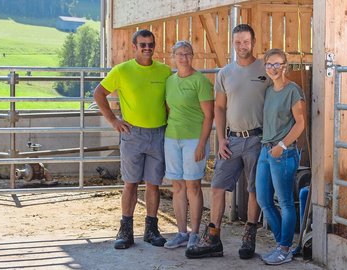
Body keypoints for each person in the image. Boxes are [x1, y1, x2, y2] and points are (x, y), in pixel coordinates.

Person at [186, 24, 271, 260]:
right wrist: (221, 137)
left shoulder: (265, 69)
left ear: (253, 42)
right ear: (232, 43)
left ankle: (249, 235)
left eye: (245, 41)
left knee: (253, 188)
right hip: (232, 139)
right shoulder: (225, 73)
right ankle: (213, 237)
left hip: (258, 138)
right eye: (237, 42)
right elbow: (220, 107)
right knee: (217, 187)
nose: (241, 46)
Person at [93, 29, 172, 250]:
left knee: (154, 184)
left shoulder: (165, 71)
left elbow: (170, 101)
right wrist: (113, 121)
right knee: (130, 183)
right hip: (132, 134)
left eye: (151, 44)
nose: (147, 48)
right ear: (134, 47)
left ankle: (151, 229)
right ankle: (125, 230)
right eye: (143, 45)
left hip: (158, 133)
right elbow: (98, 93)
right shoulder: (122, 70)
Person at [163, 41, 214, 251]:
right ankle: (181, 232)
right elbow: (169, 109)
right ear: (173, 57)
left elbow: (209, 115)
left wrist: (202, 143)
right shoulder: (170, 81)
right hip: (172, 138)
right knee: (177, 186)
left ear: (193, 56)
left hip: (194, 139)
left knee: (193, 185)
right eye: (180, 54)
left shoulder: (200, 81)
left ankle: (194, 233)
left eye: (188, 54)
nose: (184, 58)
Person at [256, 48, 306, 265]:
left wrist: (282, 145)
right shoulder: (268, 90)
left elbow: (301, 122)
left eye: (277, 64)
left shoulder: (293, 90)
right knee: (264, 200)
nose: (273, 69)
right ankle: (281, 244)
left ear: (285, 66)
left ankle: (284, 248)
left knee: (285, 202)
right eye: (269, 65)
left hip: (283, 154)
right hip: (265, 151)